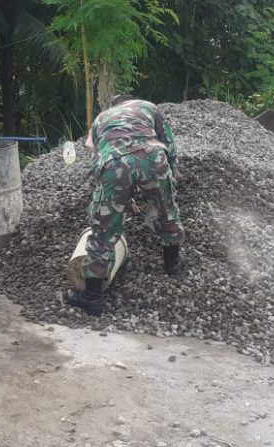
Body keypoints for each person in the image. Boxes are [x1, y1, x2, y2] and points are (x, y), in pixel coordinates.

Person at [64, 95, 186, 316]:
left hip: (113, 163)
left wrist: (120, 196)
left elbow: (96, 153)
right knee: (167, 212)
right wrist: (172, 169)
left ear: (113, 107)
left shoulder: (102, 118)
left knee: (103, 230)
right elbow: (169, 142)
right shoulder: (148, 106)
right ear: (131, 101)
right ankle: (173, 265)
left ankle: (92, 298)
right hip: (152, 157)